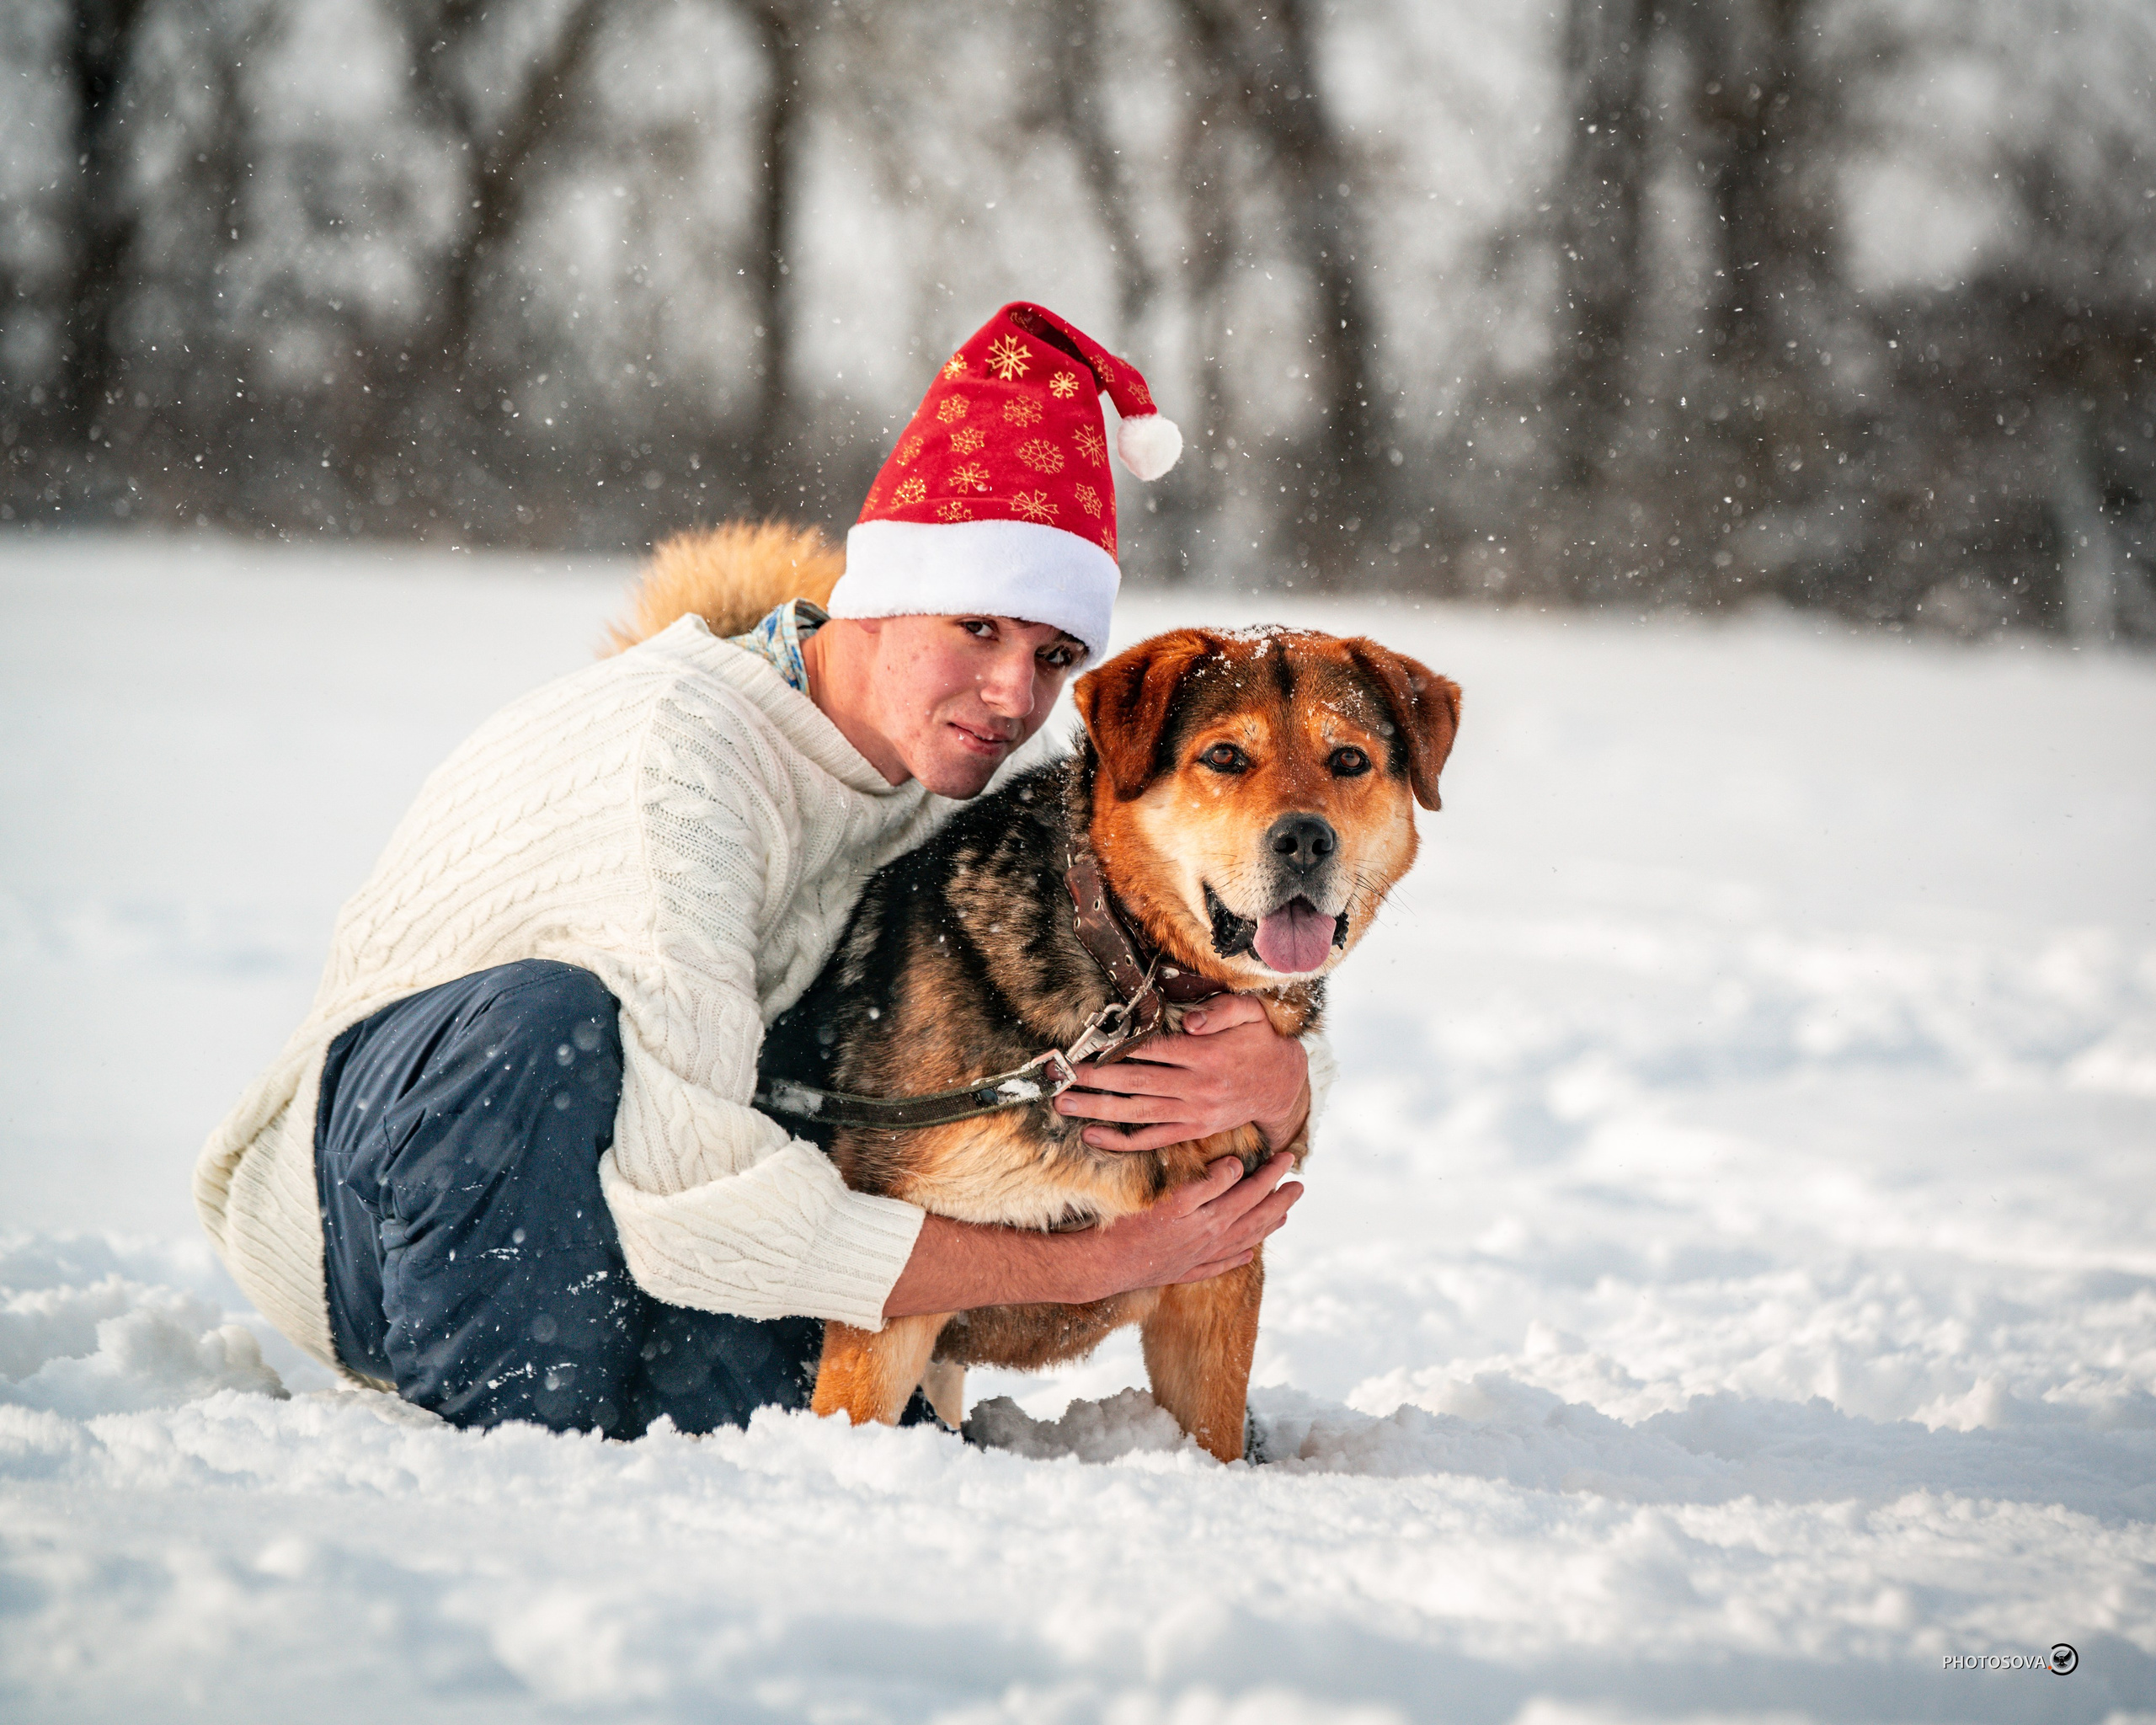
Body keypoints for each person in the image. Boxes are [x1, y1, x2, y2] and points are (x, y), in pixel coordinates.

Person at [195, 302, 1323, 1438]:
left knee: (869, 1457)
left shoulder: (934, 780)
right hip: (388, 1203)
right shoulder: (677, 771)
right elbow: (694, 1202)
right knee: (558, 1026)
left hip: (668, 1207)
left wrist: (1271, 1074)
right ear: (875, 599)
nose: (1013, 696)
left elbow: (1114, 950)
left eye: (1051, 655)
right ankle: (512, 1469)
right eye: (977, 627)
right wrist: (1099, 1264)